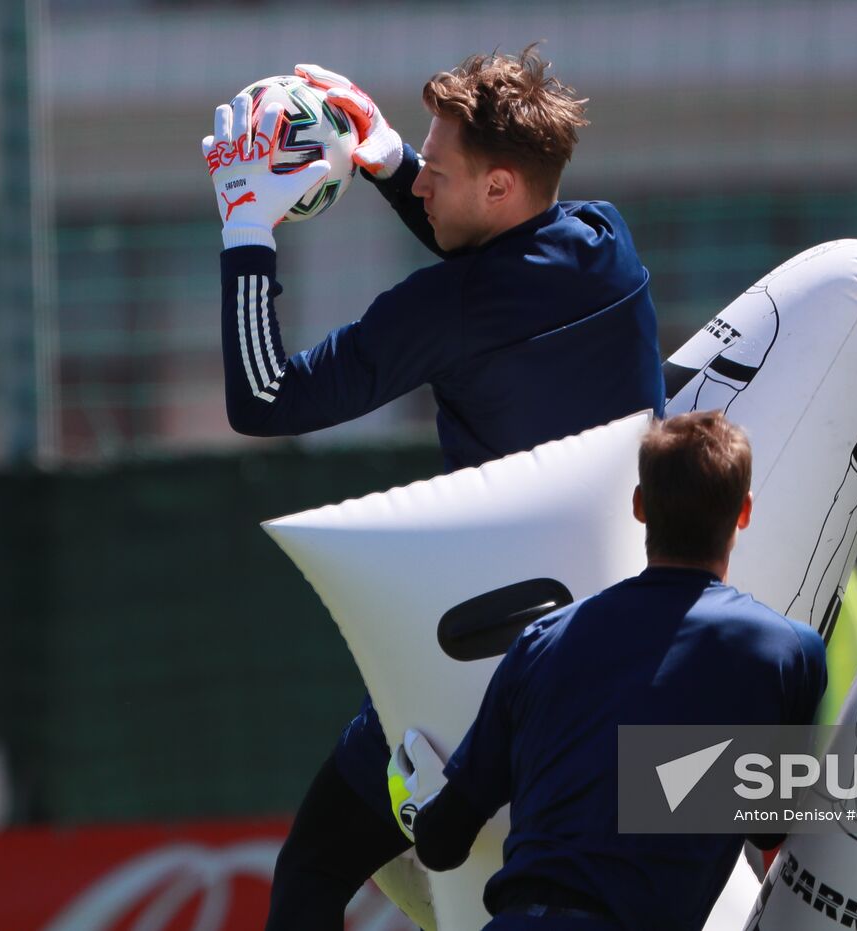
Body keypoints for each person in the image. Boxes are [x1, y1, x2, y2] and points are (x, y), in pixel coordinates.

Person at [201, 46, 666, 927]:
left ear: (497, 187)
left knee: (310, 872)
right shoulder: (608, 244)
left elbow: (263, 397)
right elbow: (498, 271)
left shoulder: (444, 312)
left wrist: (245, 227)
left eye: (436, 173)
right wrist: (385, 163)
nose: (421, 187)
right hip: (635, 655)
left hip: (489, 675)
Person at [397, 411, 829, 930]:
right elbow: (770, 829)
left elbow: (442, 845)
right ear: (744, 513)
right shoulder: (788, 652)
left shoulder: (540, 642)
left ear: (639, 506)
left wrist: (416, 802)